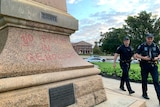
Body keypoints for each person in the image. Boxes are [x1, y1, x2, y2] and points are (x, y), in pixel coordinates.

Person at [135, 33, 160, 104]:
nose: (150, 40)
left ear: (153, 39)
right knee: (144, 80)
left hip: (153, 65)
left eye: (151, 38)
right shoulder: (142, 46)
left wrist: (157, 57)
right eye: (148, 38)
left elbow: (159, 54)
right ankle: (144, 93)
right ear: (146, 38)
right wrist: (143, 58)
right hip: (144, 65)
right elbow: (136, 55)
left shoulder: (155, 46)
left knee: (156, 81)